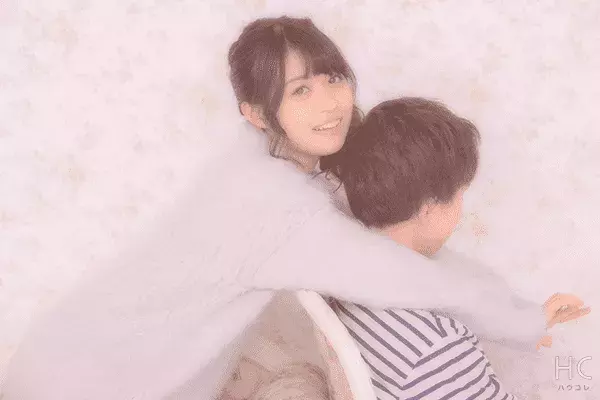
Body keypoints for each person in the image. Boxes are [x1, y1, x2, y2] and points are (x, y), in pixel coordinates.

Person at [1, 16, 587, 400]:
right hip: (84, 381)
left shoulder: (268, 159)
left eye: (333, 79)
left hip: (70, 350)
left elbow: (398, 238)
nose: (330, 105)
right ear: (256, 113)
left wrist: (516, 306)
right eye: (300, 91)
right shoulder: (275, 210)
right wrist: (521, 321)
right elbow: (409, 274)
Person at [330, 97, 520, 398]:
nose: (461, 209)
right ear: (428, 208)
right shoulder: (438, 347)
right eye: (459, 194)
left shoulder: (339, 270)